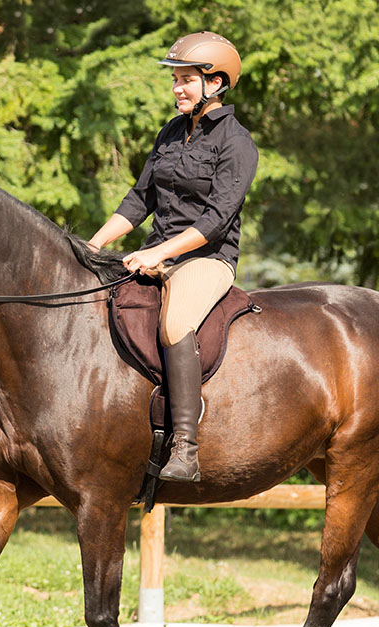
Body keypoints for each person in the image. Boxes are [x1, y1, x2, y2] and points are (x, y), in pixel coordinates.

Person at [88, 31, 258, 482]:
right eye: (175, 80)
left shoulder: (237, 143)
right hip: (157, 254)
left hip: (207, 259)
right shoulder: (170, 133)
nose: (177, 88)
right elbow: (138, 200)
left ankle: (185, 446)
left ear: (216, 83)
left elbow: (216, 221)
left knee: (175, 323)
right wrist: (94, 244)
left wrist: (160, 251)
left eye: (186, 80)